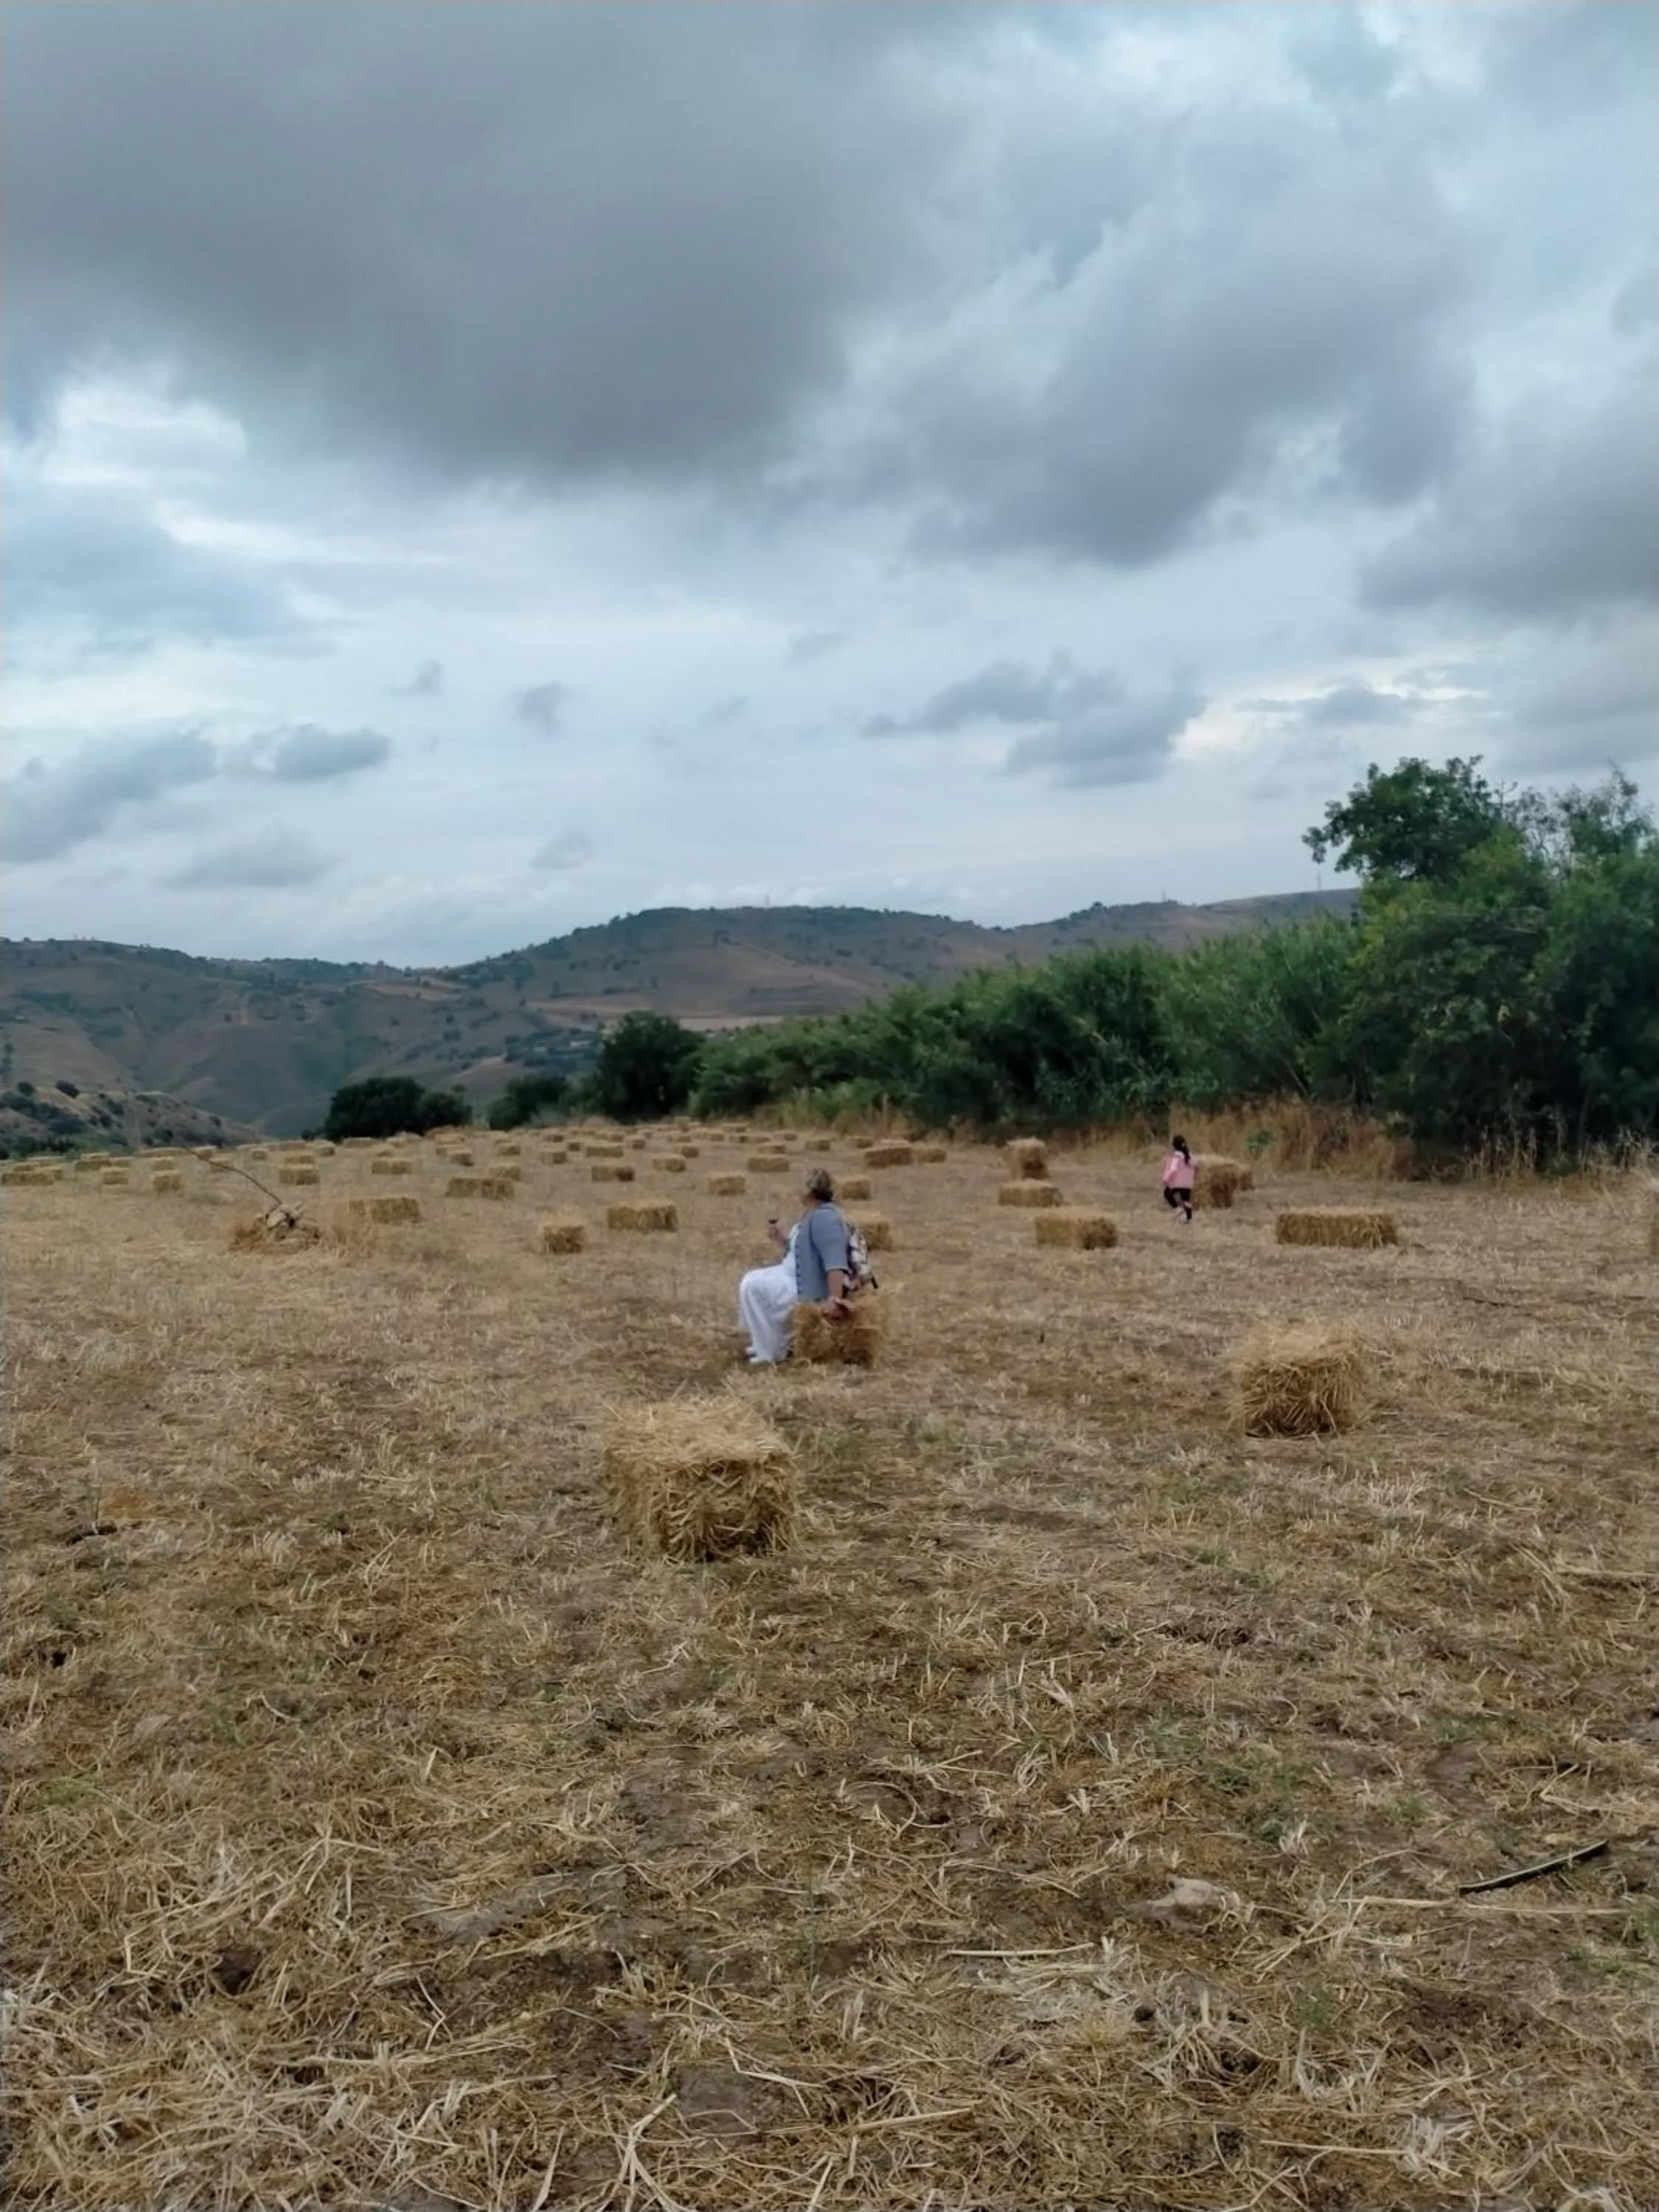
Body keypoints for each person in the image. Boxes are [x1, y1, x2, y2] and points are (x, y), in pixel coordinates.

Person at [737, 1166, 852, 1365]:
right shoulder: (812, 1214)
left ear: (810, 1190)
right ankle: (764, 1343)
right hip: (791, 1274)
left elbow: (835, 1263)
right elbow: (802, 1252)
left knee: (753, 1287)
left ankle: (771, 1351)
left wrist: (835, 1299)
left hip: (805, 1286)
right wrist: (782, 1240)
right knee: (750, 1281)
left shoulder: (825, 1218)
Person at [1161, 1134, 1195, 1222]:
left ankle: (1179, 1211)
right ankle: (1189, 1218)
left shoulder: (1176, 1158)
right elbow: (1196, 1166)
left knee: (1168, 1194)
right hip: (1188, 1184)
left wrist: (1166, 1179)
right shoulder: (1190, 1157)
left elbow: (1173, 1169)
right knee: (1187, 1201)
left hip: (1177, 1184)